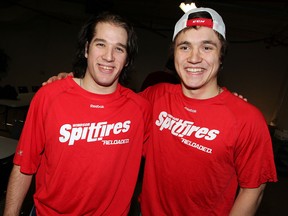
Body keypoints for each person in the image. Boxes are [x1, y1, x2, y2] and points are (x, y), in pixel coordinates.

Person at [42, 7, 277, 215]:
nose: (194, 58)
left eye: (207, 47)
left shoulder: (247, 119)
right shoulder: (154, 97)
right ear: (173, 53)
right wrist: (71, 83)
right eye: (185, 47)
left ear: (221, 55)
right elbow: (109, 102)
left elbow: (253, 191)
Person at [4, 12, 151, 215]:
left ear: (127, 60)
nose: (109, 56)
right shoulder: (50, 96)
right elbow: (23, 166)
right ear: (86, 49)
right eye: (101, 44)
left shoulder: (140, 109)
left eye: (119, 49)